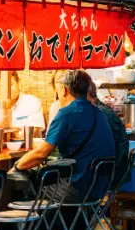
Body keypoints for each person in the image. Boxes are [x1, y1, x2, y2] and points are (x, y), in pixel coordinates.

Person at [11, 70, 115, 204]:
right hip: (98, 189)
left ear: (64, 90)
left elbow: (41, 154)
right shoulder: (98, 113)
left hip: (76, 188)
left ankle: (30, 224)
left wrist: (17, 166)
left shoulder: (66, 114)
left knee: (21, 180)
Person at [88, 82, 130, 189]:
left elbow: (105, 147)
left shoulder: (100, 113)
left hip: (106, 175)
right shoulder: (99, 110)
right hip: (109, 170)